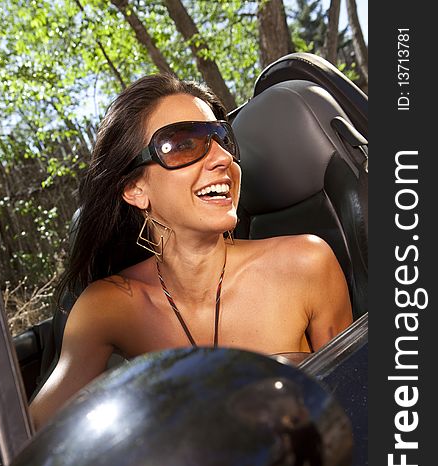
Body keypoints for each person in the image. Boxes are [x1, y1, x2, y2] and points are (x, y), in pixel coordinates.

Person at [30, 73, 352, 430]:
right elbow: (31, 438)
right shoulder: (107, 306)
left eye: (223, 139)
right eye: (183, 144)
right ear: (135, 188)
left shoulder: (306, 264)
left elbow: (353, 406)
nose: (222, 159)